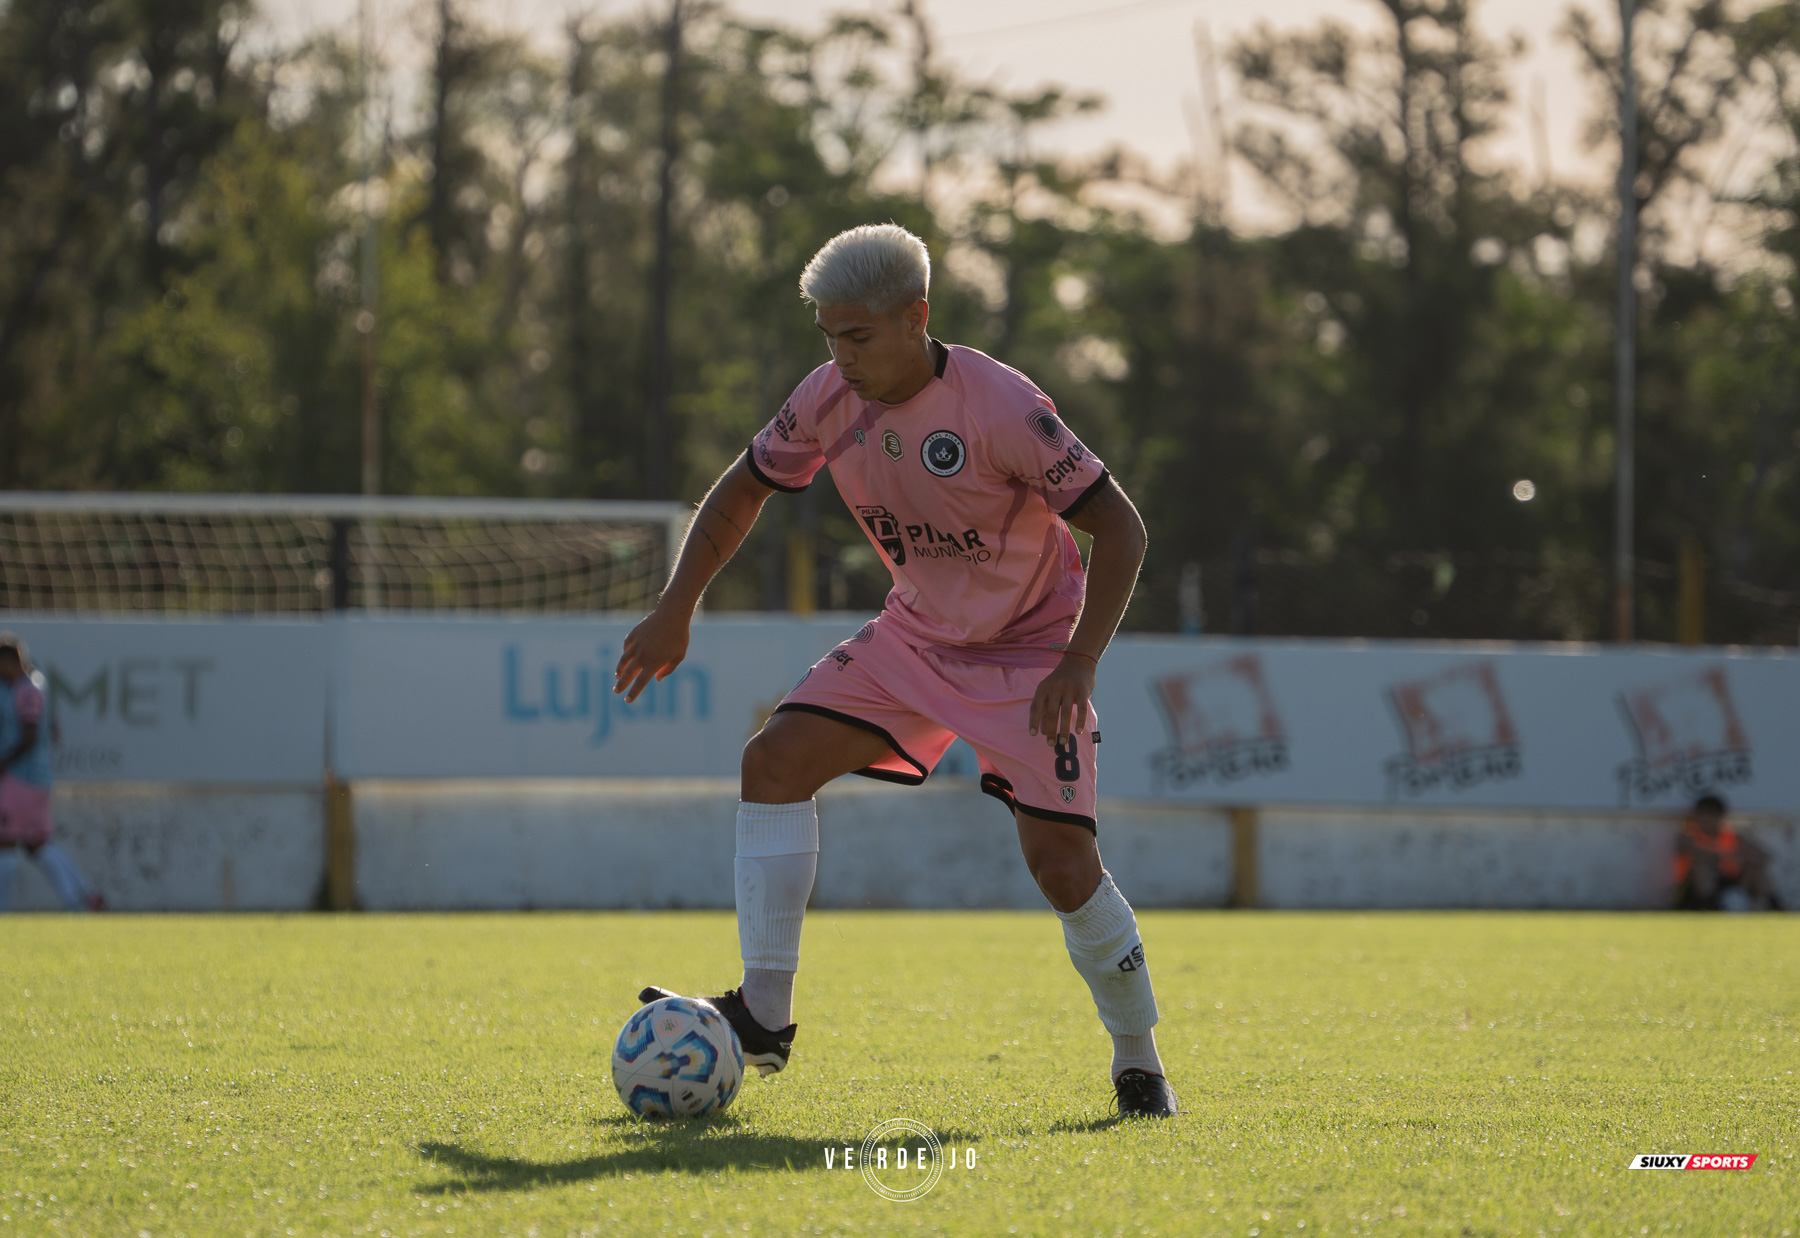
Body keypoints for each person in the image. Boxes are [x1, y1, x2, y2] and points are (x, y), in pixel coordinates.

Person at [615, 224, 1176, 1118]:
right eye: (829, 337)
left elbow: (1123, 529)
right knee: (773, 762)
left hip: (1031, 659)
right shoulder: (830, 397)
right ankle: (763, 1018)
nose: (841, 358)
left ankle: (1139, 1060)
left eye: (860, 337)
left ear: (916, 317)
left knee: (1064, 867)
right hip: (914, 640)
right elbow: (744, 486)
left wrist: (1078, 660)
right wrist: (679, 603)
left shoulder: (1001, 406)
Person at [0, 634, 102, 912]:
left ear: (9, 661)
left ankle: (4, 909)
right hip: (31, 778)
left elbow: (32, 735)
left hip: (24, 778)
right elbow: (53, 731)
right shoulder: (21, 687)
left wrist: (5, 762)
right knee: (36, 844)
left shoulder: (27, 691)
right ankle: (82, 897)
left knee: (5, 841)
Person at [1674, 793, 1779, 912]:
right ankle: (1710, 907)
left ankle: (1773, 907)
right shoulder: (1688, 836)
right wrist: (1727, 855)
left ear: (1721, 816)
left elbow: (1764, 855)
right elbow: (1696, 852)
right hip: (1699, 888)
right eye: (1703, 814)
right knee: (1700, 868)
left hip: (1733, 884)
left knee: (1757, 870)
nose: (1707, 819)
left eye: (1712, 814)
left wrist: (1746, 859)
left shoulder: (1733, 836)